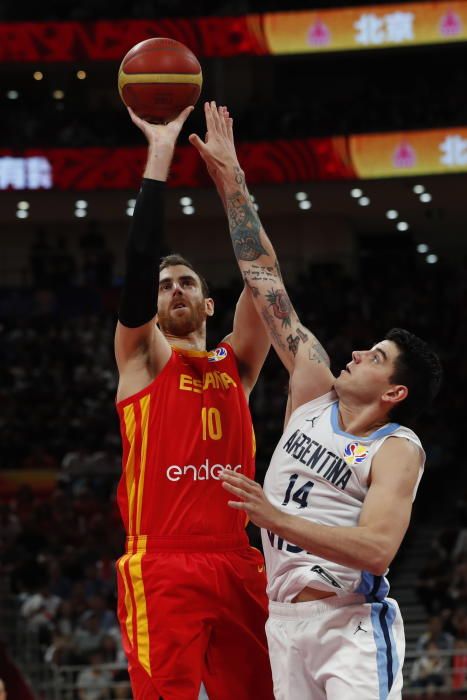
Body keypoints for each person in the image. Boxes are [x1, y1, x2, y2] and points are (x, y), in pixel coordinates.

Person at [190, 101, 442, 700]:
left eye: (375, 358)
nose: (357, 354)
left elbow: (379, 550)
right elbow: (263, 277)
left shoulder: (397, 446)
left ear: (394, 393)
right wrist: (234, 181)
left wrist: (275, 518)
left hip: (349, 622)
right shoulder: (310, 387)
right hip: (284, 623)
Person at [114, 104, 274, 699]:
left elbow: (263, 275)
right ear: (152, 310)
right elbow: (136, 267)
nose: (174, 289)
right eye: (164, 286)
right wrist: (161, 151)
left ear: (210, 305)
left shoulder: (240, 365)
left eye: (186, 283)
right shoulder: (143, 359)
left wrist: (233, 177)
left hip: (237, 560)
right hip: (164, 566)